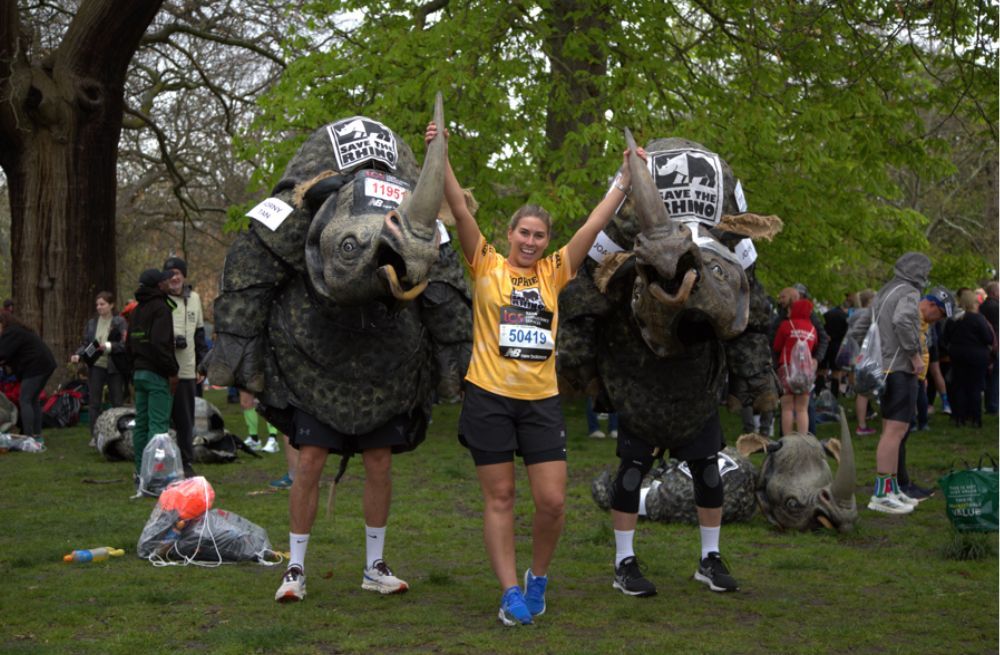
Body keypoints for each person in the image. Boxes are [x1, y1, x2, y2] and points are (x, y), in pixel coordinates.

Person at [428, 121, 639, 625]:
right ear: (509, 234)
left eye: (539, 235)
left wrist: (625, 180)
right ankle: (508, 593)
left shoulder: (555, 271)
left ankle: (537, 577)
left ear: (546, 242)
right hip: (489, 397)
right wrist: (440, 154)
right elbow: (458, 206)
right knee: (500, 497)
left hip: (541, 402)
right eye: (523, 232)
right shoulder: (486, 264)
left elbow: (592, 225)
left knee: (552, 502)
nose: (530, 240)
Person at [846, 252, 931, 515]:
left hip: (881, 368)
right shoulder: (909, 293)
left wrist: (855, 357)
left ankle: (891, 488)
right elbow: (903, 321)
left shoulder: (883, 292)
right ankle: (882, 493)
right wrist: (915, 355)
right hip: (899, 368)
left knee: (890, 430)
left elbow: (858, 326)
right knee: (896, 431)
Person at [896, 289, 952, 499]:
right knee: (899, 433)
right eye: (940, 314)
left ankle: (901, 481)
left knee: (904, 432)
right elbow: (909, 346)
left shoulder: (923, 322)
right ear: (930, 304)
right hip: (904, 377)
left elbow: (923, 350)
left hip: (914, 378)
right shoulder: (913, 318)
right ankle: (898, 483)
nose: (939, 320)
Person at [126, 269, 178, 484]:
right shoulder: (161, 309)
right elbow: (160, 344)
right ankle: (153, 476)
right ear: (159, 285)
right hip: (157, 374)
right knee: (158, 427)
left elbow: (130, 343)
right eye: (166, 280)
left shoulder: (137, 310)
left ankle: (139, 471)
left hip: (139, 373)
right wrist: (172, 371)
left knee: (142, 425)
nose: (170, 283)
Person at [162, 257, 208, 479]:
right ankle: (161, 462)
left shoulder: (195, 298)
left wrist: (202, 365)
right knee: (161, 418)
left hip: (188, 369)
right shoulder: (160, 300)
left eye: (178, 273)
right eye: (170, 274)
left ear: (184, 276)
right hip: (163, 369)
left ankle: (186, 462)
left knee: (185, 419)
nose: (174, 277)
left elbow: (200, 334)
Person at [70, 291, 128, 429]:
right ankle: (95, 434)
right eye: (97, 305)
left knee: (117, 402)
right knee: (94, 403)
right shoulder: (92, 323)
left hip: (114, 367)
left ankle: (117, 432)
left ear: (111, 305)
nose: (99, 307)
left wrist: (108, 346)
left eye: (102, 304)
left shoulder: (119, 321)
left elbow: (125, 344)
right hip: (96, 366)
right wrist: (78, 355)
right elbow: (86, 344)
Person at [942, 289, 995, 428]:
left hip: (957, 354)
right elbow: (988, 338)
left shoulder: (953, 319)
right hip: (977, 355)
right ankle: (975, 418)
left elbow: (945, 338)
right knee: (975, 387)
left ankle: (959, 417)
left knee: (959, 385)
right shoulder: (978, 319)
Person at [0, 313, 56, 442]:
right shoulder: (16, 331)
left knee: (25, 399)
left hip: (36, 367)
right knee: (33, 400)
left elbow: (2, 353)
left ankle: (28, 436)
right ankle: (36, 435)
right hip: (44, 365)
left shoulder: (11, 332)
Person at [773, 297, 818, 434]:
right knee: (802, 408)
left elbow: (776, 346)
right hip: (804, 372)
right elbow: (814, 347)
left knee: (786, 407)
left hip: (786, 369)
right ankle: (803, 439)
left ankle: (787, 441)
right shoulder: (812, 329)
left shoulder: (786, 325)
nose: (788, 311)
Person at [848, 289, 878, 435]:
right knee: (867, 391)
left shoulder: (854, 315)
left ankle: (862, 422)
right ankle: (862, 425)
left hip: (859, 354)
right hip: (871, 354)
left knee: (862, 391)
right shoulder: (870, 314)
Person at [240, 388, 280, 453]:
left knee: (268, 399)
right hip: (247, 377)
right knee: (245, 402)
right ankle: (254, 439)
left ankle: (273, 439)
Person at [979, 281, 999, 414]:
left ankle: (989, 404)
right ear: (994, 292)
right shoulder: (995, 307)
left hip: (983, 345)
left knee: (987, 377)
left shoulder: (983, 306)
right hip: (993, 345)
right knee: (994, 377)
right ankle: (993, 405)